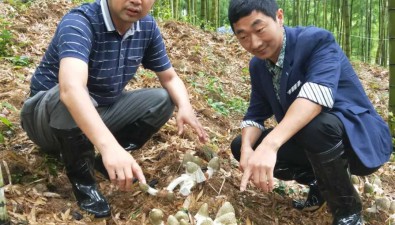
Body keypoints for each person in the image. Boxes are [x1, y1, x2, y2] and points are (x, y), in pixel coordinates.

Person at [20, 0, 208, 218]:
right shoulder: (80, 22)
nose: (137, 1)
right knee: (67, 96)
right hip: (46, 121)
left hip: (98, 111)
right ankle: (84, 184)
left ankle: (104, 162)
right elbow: (71, 90)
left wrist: (185, 106)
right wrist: (109, 145)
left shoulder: (146, 27)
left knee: (163, 99)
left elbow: (170, 77)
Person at [228, 0, 392, 224]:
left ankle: (348, 213)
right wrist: (247, 149)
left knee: (314, 126)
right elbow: (255, 115)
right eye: (243, 36)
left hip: (359, 138)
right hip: (314, 141)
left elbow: (316, 97)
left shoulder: (316, 41)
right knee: (241, 144)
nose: (254, 42)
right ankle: (321, 184)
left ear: (279, 17)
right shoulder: (259, 66)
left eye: (259, 29)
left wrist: (270, 144)